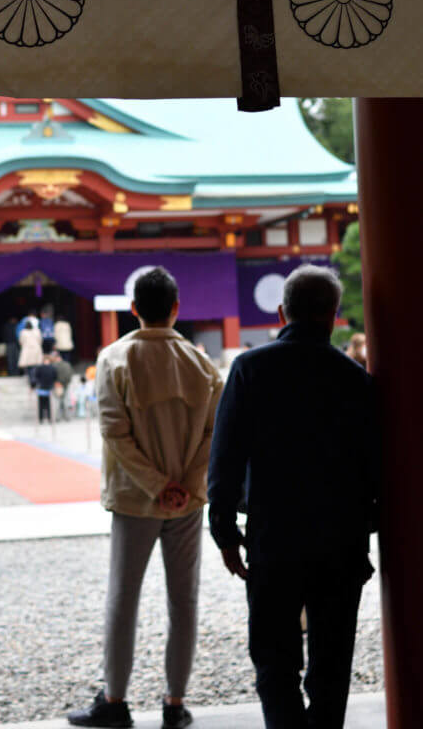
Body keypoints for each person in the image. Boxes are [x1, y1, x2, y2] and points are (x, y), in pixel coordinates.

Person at [207, 265, 379, 729]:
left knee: (274, 660)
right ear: (333, 317)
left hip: (272, 538)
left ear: (282, 312)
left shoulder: (249, 369)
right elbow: (376, 466)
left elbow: (223, 459)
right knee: (332, 663)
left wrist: (224, 530)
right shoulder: (356, 380)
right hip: (340, 543)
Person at [68, 267, 223, 729]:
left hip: (136, 501)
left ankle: (114, 701)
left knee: (123, 598)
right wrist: (184, 483)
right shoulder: (202, 366)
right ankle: (174, 704)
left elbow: (115, 433)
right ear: (176, 308)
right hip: (189, 502)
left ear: (133, 309)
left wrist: (157, 485)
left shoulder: (115, 359)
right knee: (185, 601)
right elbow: (214, 436)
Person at [33, 354, 57, 423]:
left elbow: (36, 377)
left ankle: (41, 419)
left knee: (41, 404)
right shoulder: (52, 368)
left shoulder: (39, 368)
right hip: (48, 388)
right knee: (48, 404)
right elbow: (55, 377)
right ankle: (49, 418)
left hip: (42, 388)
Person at [18, 320, 43, 388]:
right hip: (36, 350)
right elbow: (40, 340)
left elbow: (21, 341)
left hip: (27, 350)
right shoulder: (37, 331)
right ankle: (34, 379)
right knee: (35, 366)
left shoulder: (23, 332)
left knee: (29, 366)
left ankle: (32, 380)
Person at [53, 350, 73, 420]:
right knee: (66, 400)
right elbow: (70, 374)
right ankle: (67, 417)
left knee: (58, 401)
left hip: (58, 385)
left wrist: (57, 382)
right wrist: (67, 382)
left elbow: (53, 376)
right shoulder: (67, 364)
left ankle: (58, 417)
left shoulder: (54, 366)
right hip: (66, 384)